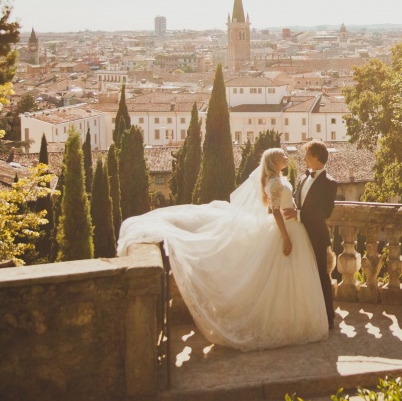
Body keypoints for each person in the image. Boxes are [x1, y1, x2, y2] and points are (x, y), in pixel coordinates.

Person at [117, 148, 328, 351]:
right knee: (281, 278)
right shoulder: (273, 183)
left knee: (291, 277)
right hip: (286, 230)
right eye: (282, 155)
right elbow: (275, 211)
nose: (286, 157)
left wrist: (295, 214)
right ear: (274, 162)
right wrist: (285, 237)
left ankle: (292, 319)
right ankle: (285, 323)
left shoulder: (279, 180)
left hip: (294, 228)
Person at [283, 139, 337, 331]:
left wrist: (298, 215)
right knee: (301, 274)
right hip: (299, 234)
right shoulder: (303, 178)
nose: (304, 159)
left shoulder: (330, 183)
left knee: (321, 275)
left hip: (316, 237)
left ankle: (328, 318)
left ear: (316, 157)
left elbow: (325, 212)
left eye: (307, 155)